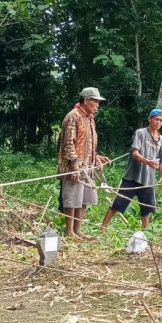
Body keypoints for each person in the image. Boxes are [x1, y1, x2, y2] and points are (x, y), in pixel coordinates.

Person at [57, 87, 111, 241]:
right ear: (86, 100)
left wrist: (96, 157)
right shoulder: (73, 116)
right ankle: (69, 232)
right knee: (72, 198)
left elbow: (87, 142)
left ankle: (77, 230)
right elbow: (68, 144)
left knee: (84, 199)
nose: (98, 105)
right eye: (95, 101)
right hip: (75, 165)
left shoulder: (89, 118)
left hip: (87, 164)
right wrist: (74, 167)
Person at [101, 108, 162, 232]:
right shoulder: (140, 133)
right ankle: (102, 228)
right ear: (150, 119)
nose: (158, 122)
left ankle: (145, 231)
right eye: (156, 119)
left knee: (146, 207)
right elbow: (135, 154)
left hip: (148, 179)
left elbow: (161, 159)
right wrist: (148, 162)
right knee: (118, 203)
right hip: (132, 177)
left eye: (161, 120)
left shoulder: (161, 140)